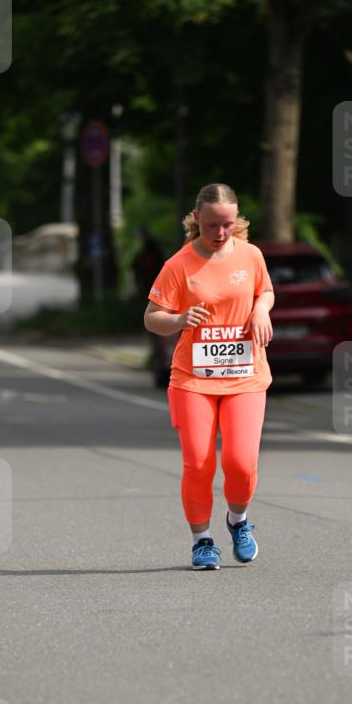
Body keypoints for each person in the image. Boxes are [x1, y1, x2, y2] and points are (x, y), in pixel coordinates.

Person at [144, 183, 274, 570]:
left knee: (241, 462)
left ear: (237, 220)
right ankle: (202, 541)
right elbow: (152, 318)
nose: (220, 233)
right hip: (193, 379)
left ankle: (238, 520)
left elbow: (265, 291)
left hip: (245, 375)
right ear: (196, 218)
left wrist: (260, 310)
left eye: (228, 224)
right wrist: (180, 319)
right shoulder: (179, 265)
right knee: (199, 463)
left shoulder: (251, 255)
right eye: (212, 224)